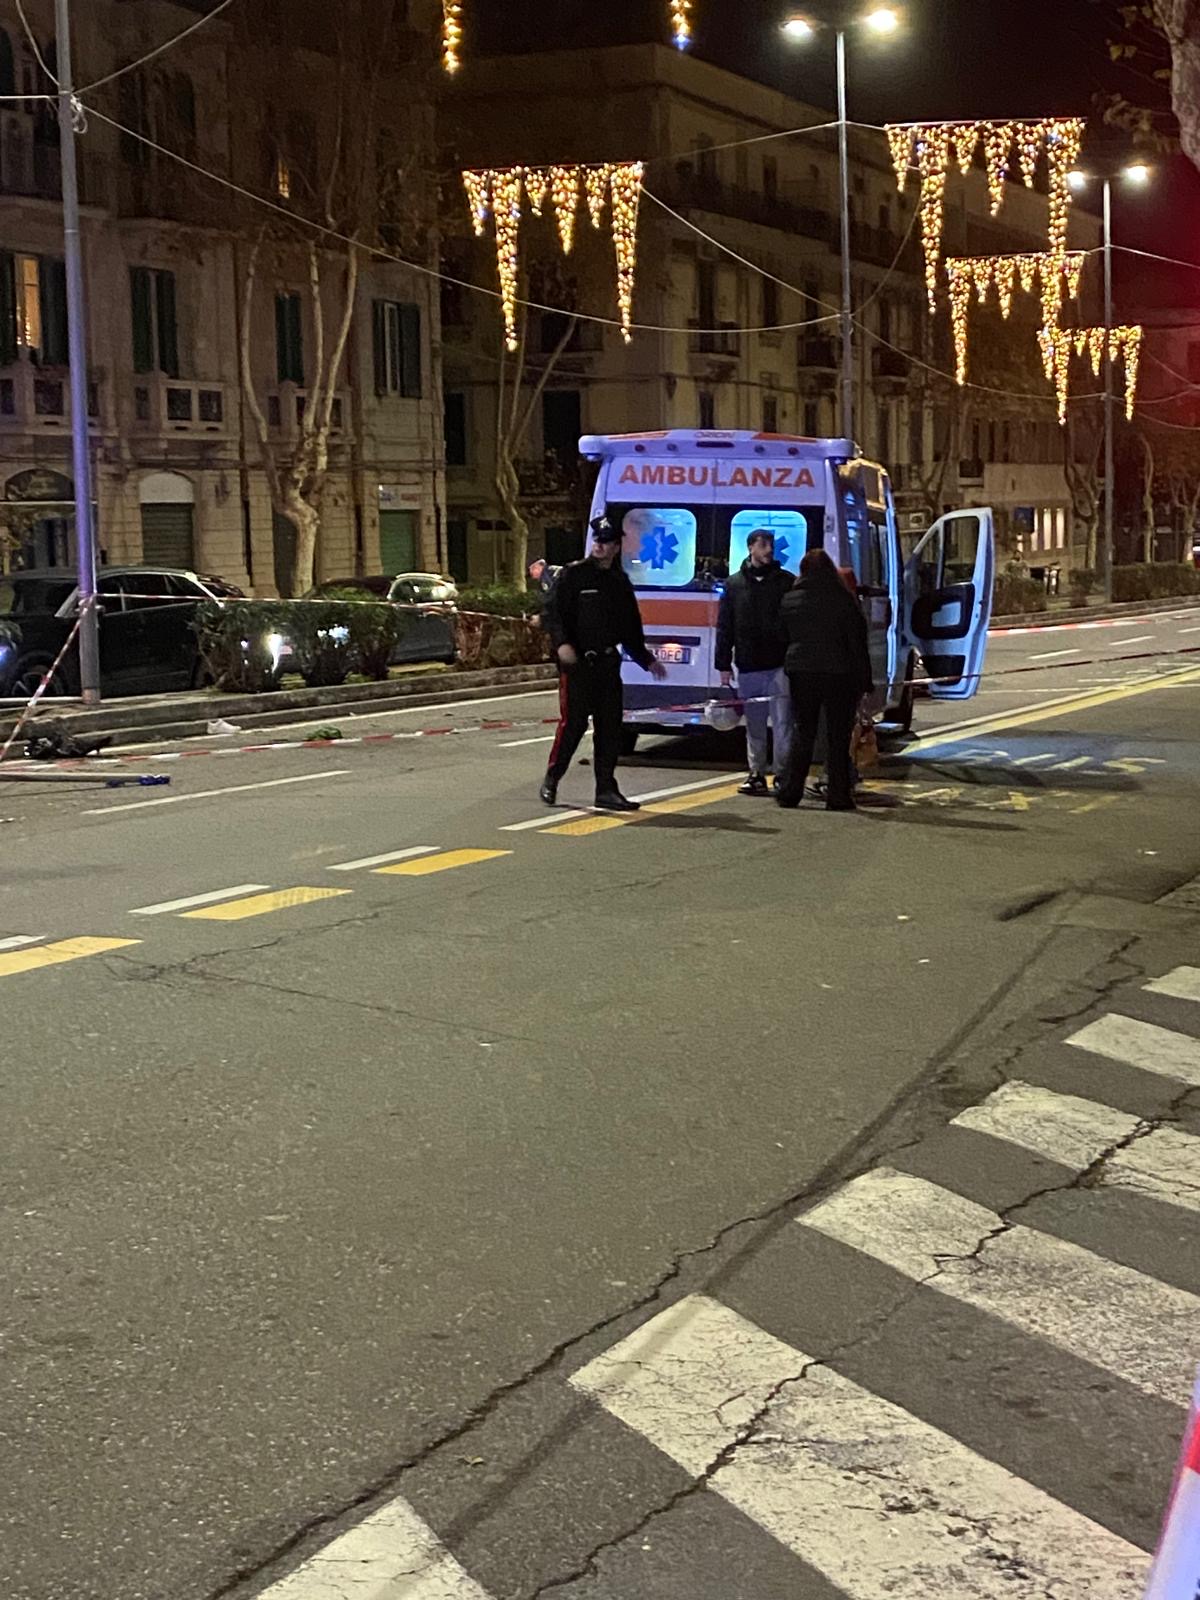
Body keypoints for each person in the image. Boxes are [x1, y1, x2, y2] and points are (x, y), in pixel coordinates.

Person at [540, 514, 667, 811]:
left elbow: (630, 626)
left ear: (616, 547)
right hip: (578, 666)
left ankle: (606, 789)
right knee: (573, 726)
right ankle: (552, 778)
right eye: (597, 540)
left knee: (610, 729)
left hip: (608, 664)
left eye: (606, 542)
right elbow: (552, 614)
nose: (599, 545)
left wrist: (647, 660)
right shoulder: (573, 575)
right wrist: (562, 645)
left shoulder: (619, 582)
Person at [776, 548, 873, 812]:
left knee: (803, 732)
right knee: (837, 737)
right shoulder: (843, 599)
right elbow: (857, 643)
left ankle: (790, 792)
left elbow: (782, 635)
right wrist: (865, 681)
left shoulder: (790, 599)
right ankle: (838, 795)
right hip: (838, 673)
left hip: (801, 672)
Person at [715, 528, 794, 796]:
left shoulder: (785, 582)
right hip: (748, 664)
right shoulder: (735, 584)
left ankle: (782, 774)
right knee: (755, 724)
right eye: (763, 545)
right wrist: (723, 664)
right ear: (751, 548)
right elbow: (725, 626)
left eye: (770, 545)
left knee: (782, 724)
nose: (769, 550)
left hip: (779, 664)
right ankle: (756, 772)